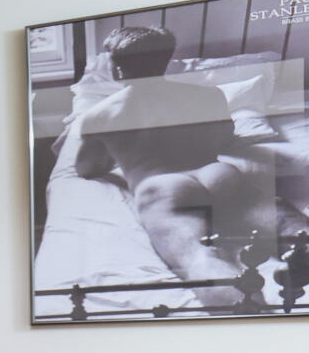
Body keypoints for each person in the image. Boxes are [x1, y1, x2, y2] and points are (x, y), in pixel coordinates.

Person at [71, 24, 277, 308]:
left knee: (197, 254)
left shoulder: (100, 115)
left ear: (117, 68)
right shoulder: (209, 95)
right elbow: (224, 138)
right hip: (217, 173)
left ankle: (252, 315)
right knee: (284, 228)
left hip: (163, 187)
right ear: (166, 60)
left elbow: (86, 169)